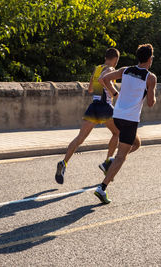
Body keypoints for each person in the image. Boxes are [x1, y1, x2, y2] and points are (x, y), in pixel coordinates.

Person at [94, 44, 157, 204]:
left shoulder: (125, 70)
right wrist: (153, 95)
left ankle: (109, 164)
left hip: (117, 116)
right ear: (150, 59)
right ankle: (102, 188)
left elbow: (103, 79)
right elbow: (150, 103)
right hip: (130, 119)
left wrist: (115, 93)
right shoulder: (150, 78)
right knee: (122, 156)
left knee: (136, 143)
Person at [55, 48, 121, 184]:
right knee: (117, 133)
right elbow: (104, 80)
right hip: (105, 106)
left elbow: (90, 89)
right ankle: (108, 163)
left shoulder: (97, 68)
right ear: (115, 59)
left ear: (105, 57)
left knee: (80, 138)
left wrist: (100, 86)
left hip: (94, 105)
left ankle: (64, 162)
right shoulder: (110, 70)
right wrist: (113, 93)